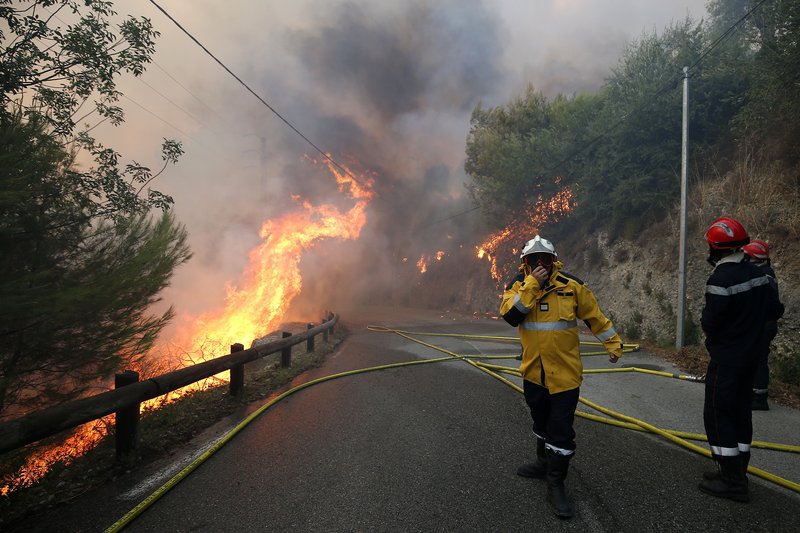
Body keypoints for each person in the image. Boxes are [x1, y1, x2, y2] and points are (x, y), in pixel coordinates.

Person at [500, 235, 623, 519]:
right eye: (534, 260)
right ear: (525, 264)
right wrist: (532, 284)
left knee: (561, 429)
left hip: (565, 375)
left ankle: (556, 483)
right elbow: (511, 316)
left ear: (554, 261)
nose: (540, 264)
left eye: (545, 259)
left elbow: (595, 317)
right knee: (540, 421)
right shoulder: (517, 286)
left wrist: (612, 343)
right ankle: (544, 464)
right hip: (534, 373)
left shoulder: (572, 286)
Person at [699, 217, 784, 502]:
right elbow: (775, 309)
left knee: (717, 412)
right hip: (751, 357)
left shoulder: (721, 279)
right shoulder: (760, 273)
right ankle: (736, 471)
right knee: (740, 412)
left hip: (727, 358)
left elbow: (710, 322)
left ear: (717, 249)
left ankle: (732, 481)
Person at [741, 239, 781, 410]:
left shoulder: (764, 275)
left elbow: (767, 304)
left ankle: (759, 398)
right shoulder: (766, 273)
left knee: (759, 359)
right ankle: (754, 393)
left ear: (755, 258)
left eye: (747, 258)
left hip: (764, 325)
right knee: (755, 358)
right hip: (764, 324)